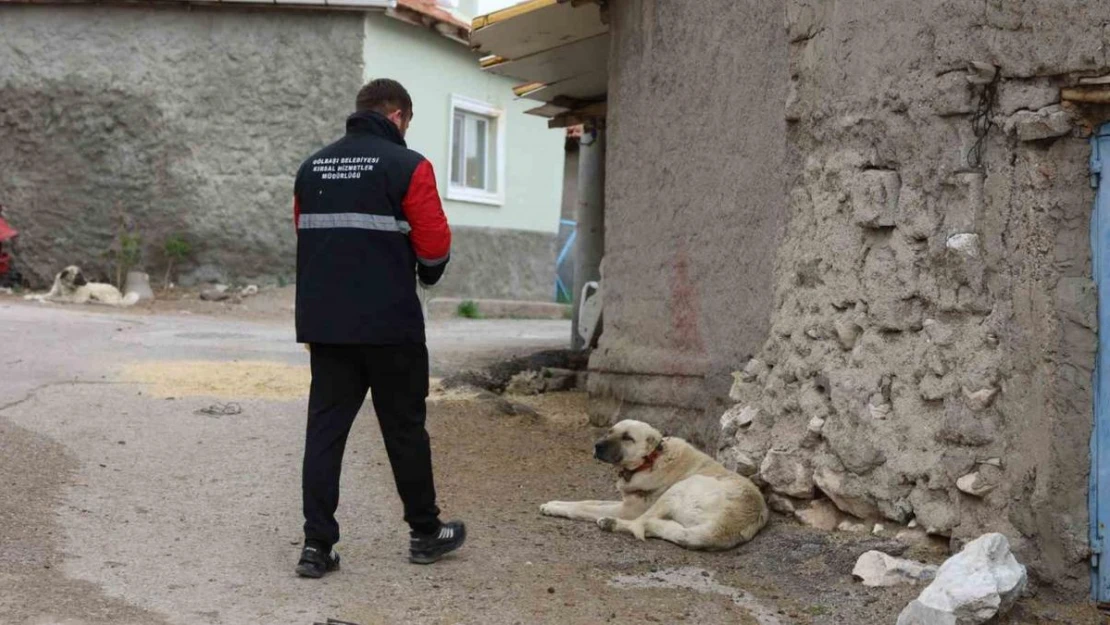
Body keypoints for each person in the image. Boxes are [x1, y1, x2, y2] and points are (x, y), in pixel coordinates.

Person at [292, 78, 464, 578]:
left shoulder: (312, 167)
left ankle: (316, 547)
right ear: (398, 117)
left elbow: (305, 235)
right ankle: (426, 535)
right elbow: (433, 244)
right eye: (407, 121)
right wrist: (426, 274)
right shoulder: (408, 166)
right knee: (404, 429)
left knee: (325, 433)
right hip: (391, 327)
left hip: (327, 327)